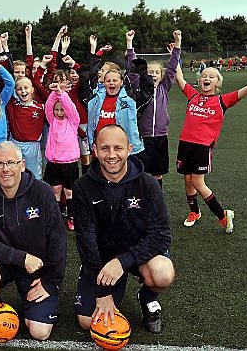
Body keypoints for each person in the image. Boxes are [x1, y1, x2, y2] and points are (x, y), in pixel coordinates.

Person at [175, 34, 247, 231]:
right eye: (204, 76)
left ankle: (223, 215)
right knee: (187, 180)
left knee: (199, 183)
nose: (206, 78)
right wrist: (177, 47)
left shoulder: (222, 101)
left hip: (202, 147)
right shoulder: (192, 95)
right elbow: (179, 76)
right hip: (185, 144)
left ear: (218, 83)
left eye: (211, 77)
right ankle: (195, 211)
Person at [73, 124, 174, 334]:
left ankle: (147, 298)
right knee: (86, 321)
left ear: (129, 148)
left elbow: (161, 236)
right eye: (105, 148)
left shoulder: (148, 184)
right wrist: (102, 292)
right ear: (95, 149)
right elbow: (86, 240)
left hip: (139, 254)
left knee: (163, 272)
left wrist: (123, 261)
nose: (111, 155)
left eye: (118, 148)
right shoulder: (83, 187)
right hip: (103, 258)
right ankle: (100, 283)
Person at [0, 141, 66, 340]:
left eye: (11, 163)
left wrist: (50, 282)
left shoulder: (43, 192)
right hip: (6, 263)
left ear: (22, 165)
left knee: (40, 333)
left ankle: (35, 305)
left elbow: (58, 239)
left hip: (38, 269)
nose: (5, 169)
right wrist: (22, 258)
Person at [127, 30, 181, 188]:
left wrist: (177, 44)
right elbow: (133, 69)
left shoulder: (164, 87)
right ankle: (142, 198)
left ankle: (157, 196)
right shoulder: (141, 88)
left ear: (161, 75)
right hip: (143, 136)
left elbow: (172, 68)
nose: (154, 75)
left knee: (157, 172)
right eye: (150, 72)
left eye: (157, 72)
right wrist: (130, 44)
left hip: (160, 137)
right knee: (142, 171)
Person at [43, 80, 80, 230]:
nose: (59, 113)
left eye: (61, 110)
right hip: (54, 163)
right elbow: (48, 106)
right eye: (56, 110)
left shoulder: (73, 121)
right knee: (55, 191)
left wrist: (61, 93)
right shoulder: (52, 121)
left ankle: (72, 216)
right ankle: (57, 218)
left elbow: (70, 107)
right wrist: (55, 92)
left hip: (69, 163)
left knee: (69, 192)